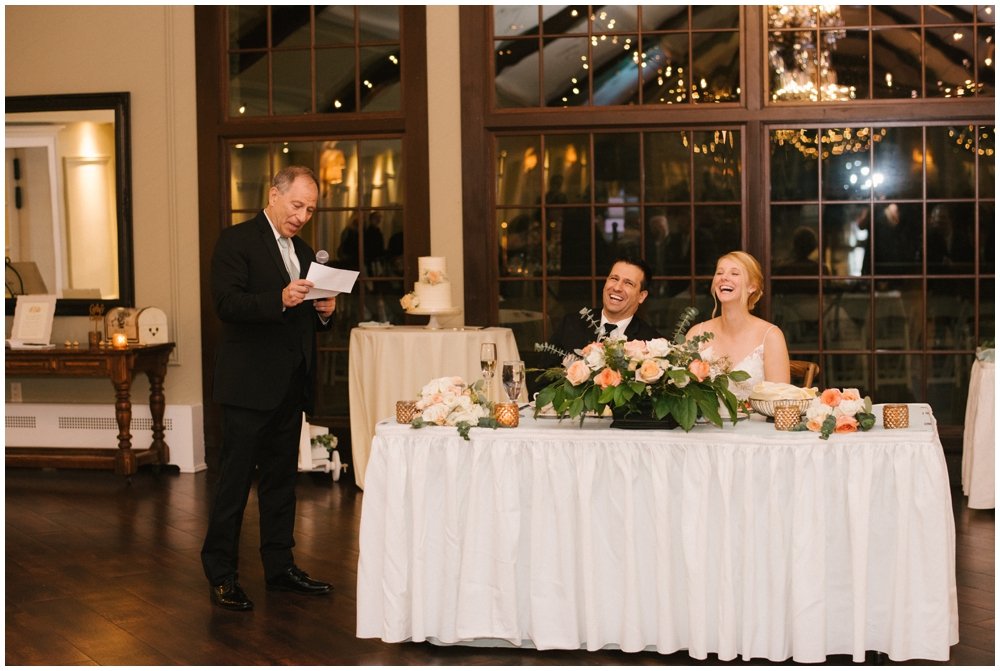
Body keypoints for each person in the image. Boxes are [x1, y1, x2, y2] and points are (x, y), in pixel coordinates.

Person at [202, 165, 336, 611]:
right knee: (234, 484)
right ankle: (221, 574)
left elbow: (303, 320)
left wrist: (324, 311)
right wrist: (278, 299)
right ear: (274, 195)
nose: (302, 216)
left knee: (281, 483)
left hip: (288, 386)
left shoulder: (301, 250)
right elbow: (226, 303)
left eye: (310, 210)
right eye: (297, 205)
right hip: (246, 386)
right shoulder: (236, 241)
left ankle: (280, 568)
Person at [686, 251, 790, 399]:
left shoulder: (771, 336)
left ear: (752, 287)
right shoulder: (696, 334)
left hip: (756, 422)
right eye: (719, 272)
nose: (724, 277)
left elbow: (781, 402)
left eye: (734, 273)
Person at [547, 256, 662, 360]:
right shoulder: (571, 324)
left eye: (628, 283)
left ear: (641, 296)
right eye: (614, 279)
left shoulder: (652, 343)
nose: (617, 288)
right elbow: (543, 378)